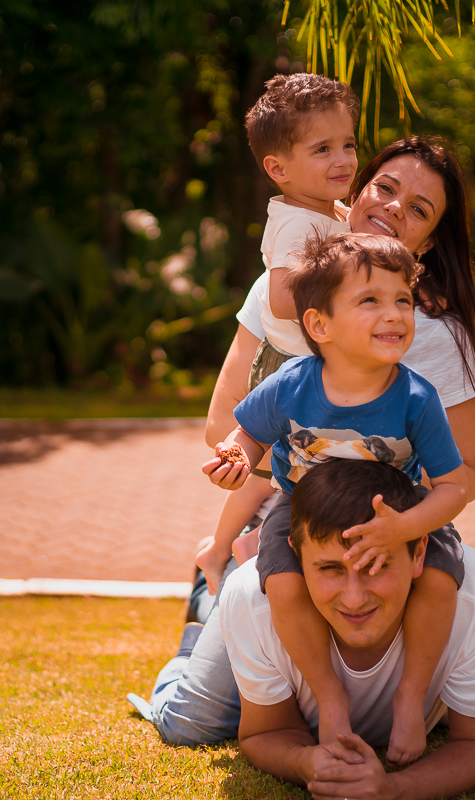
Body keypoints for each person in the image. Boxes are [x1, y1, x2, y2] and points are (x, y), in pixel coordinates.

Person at [125, 135, 475, 749]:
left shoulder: (431, 338)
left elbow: (462, 477)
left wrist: (394, 527)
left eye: (419, 209)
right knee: (193, 723)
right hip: (292, 513)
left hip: (391, 525)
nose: (395, 207)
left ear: (428, 245)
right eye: (385, 188)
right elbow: (226, 428)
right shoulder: (282, 294)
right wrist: (279, 491)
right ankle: (206, 612)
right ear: (356, 192)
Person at [203, 231, 468, 766]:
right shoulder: (291, 384)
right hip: (304, 509)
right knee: (282, 584)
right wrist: (234, 458)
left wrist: (406, 527)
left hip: (394, 512)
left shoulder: (417, 398)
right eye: (370, 300)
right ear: (319, 325)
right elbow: (246, 433)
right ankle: (330, 698)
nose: (394, 314)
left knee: (441, 578)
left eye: (403, 300)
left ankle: (410, 696)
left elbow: (454, 487)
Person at [165, 459, 475, 799]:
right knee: (188, 723)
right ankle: (199, 619)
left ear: (418, 554)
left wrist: (394, 790)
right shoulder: (254, 596)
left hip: (466, 637)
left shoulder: (470, 590)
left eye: (375, 565)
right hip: (241, 596)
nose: (354, 599)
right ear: (296, 557)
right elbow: (267, 732)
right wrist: (304, 763)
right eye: (330, 569)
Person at [195, 72, 360, 600]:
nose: (343, 159)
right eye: (322, 149)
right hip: (287, 369)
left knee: (281, 474)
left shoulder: (322, 212)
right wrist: (347, 279)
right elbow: (284, 298)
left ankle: (230, 545)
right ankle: (230, 546)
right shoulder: (298, 226)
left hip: (296, 366)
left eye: (349, 144)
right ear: (278, 168)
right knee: (281, 471)